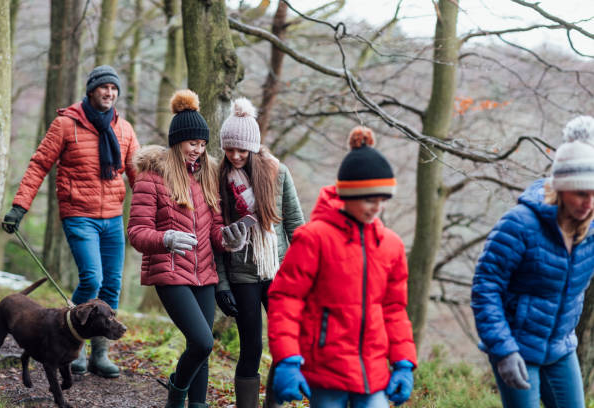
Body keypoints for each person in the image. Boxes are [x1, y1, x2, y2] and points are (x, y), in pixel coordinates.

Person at [1, 65, 140, 378]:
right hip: (79, 215)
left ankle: (99, 354)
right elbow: (39, 165)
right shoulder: (66, 124)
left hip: (113, 218)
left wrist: (158, 214)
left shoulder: (125, 129)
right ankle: (71, 341)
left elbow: (139, 178)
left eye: (114, 89)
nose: (110, 93)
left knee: (112, 284)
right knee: (92, 277)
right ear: (91, 90)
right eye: (104, 88)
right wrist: (19, 206)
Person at [267, 126, 417, 408]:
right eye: (369, 199)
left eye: (382, 200)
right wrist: (287, 359)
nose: (376, 208)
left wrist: (403, 362)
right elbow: (286, 299)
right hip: (326, 371)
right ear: (348, 195)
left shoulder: (392, 246)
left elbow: (394, 309)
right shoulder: (314, 238)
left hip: (373, 373)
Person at [127, 89, 247, 408]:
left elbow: (216, 230)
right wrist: (165, 239)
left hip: (204, 274)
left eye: (203, 144)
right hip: (169, 273)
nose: (199, 150)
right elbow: (136, 233)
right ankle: (176, 389)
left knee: (202, 350)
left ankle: (197, 404)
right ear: (178, 140)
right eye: (193, 142)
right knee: (202, 341)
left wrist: (230, 238)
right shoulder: (152, 177)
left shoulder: (208, 176)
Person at [471, 115, 594, 408]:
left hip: (560, 349)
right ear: (561, 187)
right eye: (580, 193)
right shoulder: (520, 225)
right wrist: (503, 350)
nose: (588, 202)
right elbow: (485, 287)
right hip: (517, 347)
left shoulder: (590, 231)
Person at [213, 97, 305, 408]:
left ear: (253, 147)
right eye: (230, 149)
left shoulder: (277, 173)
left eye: (242, 150)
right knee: (251, 346)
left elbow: (295, 225)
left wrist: (304, 274)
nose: (236, 156)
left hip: (278, 271)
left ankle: (273, 405)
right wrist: (222, 286)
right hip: (241, 275)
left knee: (284, 344)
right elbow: (215, 239)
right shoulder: (217, 179)